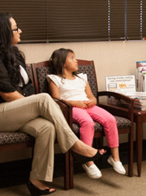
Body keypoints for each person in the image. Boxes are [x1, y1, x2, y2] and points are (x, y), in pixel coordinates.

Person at [0, 13, 105, 196]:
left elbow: (26, 88)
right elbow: (7, 93)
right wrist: (34, 106)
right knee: (43, 99)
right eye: (16, 28)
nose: (20, 31)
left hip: (13, 112)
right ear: (3, 32)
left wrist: (32, 107)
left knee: (46, 127)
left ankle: (36, 180)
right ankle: (76, 146)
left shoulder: (14, 54)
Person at [47, 48, 126, 178]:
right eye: (71, 58)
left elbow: (91, 96)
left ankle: (115, 158)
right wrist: (75, 103)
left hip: (87, 105)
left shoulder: (82, 78)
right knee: (87, 122)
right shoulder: (54, 79)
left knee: (111, 119)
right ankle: (88, 161)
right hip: (71, 108)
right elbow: (56, 101)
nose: (76, 60)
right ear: (62, 62)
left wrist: (92, 101)